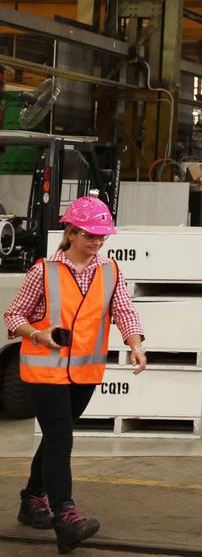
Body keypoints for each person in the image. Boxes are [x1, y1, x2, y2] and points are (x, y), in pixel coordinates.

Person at [5, 195, 146, 554]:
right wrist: (39, 335)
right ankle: (65, 515)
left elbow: (125, 311)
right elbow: (14, 316)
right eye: (90, 235)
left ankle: (32, 497)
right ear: (71, 231)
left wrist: (135, 343)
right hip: (43, 370)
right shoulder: (44, 270)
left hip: (84, 373)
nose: (97, 242)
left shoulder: (109, 270)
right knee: (61, 438)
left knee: (55, 436)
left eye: (102, 236)